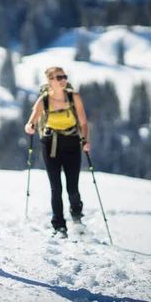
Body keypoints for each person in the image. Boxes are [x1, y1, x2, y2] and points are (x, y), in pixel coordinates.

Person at [24, 67, 91, 238]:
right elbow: (30, 122)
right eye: (58, 77)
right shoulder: (43, 101)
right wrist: (30, 127)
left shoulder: (73, 97)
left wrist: (85, 141)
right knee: (56, 188)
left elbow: (83, 122)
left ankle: (77, 219)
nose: (63, 79)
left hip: (72, 143)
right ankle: (59, 226)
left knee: (72, 186)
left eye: (64, 76)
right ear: (50, 81)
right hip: (50, 145)